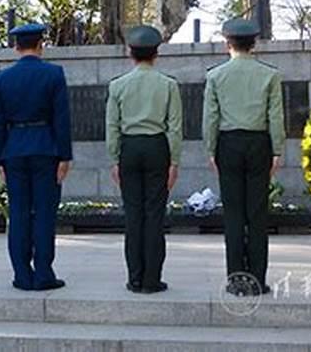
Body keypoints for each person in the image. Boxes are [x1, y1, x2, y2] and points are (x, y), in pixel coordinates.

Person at [202, 18, 285, 296]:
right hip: (259, 142)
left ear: (228, 44)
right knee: (258, 214)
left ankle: (236, 279)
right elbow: (275, 115)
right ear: (255, 44)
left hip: (228, 143)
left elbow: (210, 118)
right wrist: (277, 150)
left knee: (234, 214)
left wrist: (211, 149)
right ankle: (258, 280)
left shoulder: (215, 76)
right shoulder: (269, 75)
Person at [0, 23, 72, 291]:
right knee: (45, 213)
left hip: (14, 150)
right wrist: (64, 156)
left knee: (19, 213)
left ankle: (22, 274)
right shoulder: (54, 74)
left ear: (16, 47)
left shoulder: (2, 78)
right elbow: (61, 119)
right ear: (41, 45)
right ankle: (44, 272)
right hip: (46, 149)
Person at [105, 25, 183, 294]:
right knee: (154, 215)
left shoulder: (117, 86)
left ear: (130, 53)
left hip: (129, 147)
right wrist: (174, 162)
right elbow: (174, 126)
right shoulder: (169, 85)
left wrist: (114, 159)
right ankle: (152, 279)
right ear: (156, 53)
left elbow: (112, 126)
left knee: (133, 215)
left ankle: (134, 278)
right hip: (157, 147)